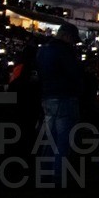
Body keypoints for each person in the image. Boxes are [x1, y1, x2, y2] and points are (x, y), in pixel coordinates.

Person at [36, 23, 82, 184]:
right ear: (66, 36)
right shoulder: (64, 51)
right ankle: (57, 175)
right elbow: (74, 73)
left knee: (49, 138)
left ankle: (44, 174)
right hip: (64, 96)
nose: (74, 43)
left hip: (48, 96)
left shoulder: (43, 49)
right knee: (63, 139)